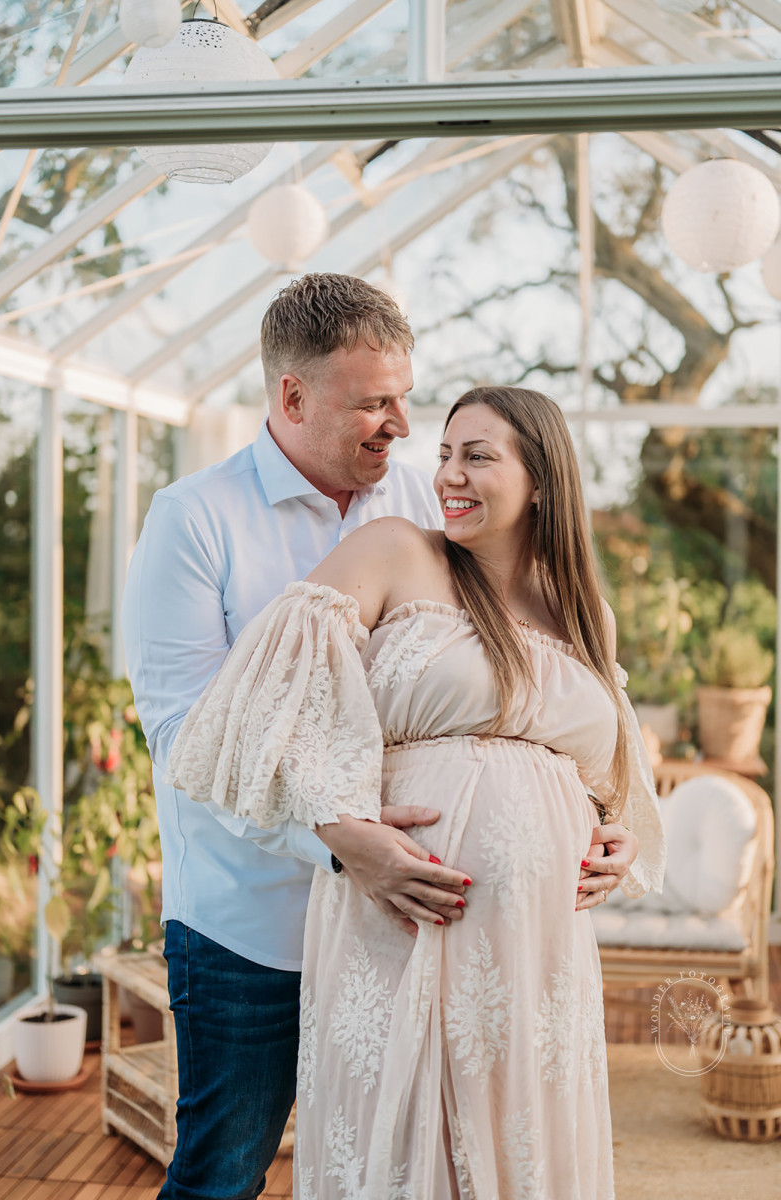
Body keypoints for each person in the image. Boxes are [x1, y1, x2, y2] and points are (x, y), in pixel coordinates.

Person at [123, 275, 639, 1200]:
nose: (403, 428)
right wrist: (339, 840)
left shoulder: (427, 501)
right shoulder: (194, 519)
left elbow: (539, 697)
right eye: (374, 403)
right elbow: (184, 736)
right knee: (222, 1172)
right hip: (249, 923)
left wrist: (603, 822)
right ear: (294, 396)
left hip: (439, 939)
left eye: (408, 400)